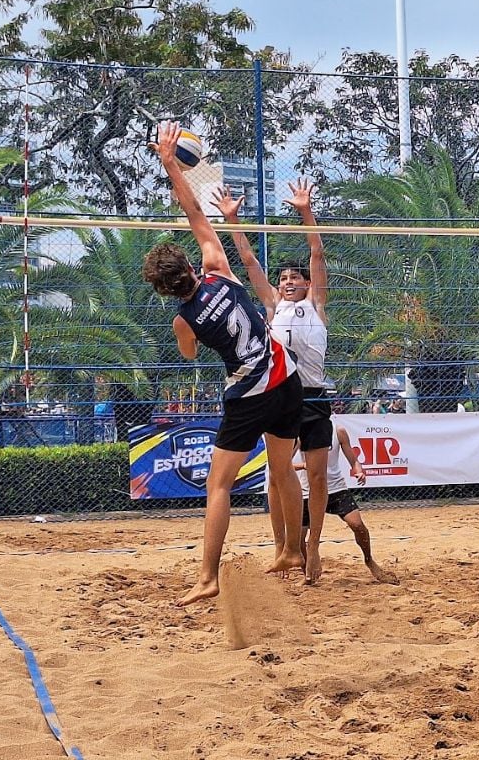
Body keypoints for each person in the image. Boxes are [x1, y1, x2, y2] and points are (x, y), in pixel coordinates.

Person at [143, 122, 305, 606]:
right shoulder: (217, 269)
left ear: (165, 290)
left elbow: (190, 354)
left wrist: (189, 332)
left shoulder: (182, 320)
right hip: (286, 377)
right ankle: (292, 551)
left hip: (249, 393)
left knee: (218, 486)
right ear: (192, 268)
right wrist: (171, 162)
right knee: (283, 471)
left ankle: (208, 578)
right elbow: (194, 210)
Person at [212, 178, 335, 584]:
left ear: (307, 285)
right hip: (281, 396)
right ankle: (285, 549)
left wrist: (305, 211)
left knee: (316, 477)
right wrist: (232, 220)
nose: (288, 282)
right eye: (283, 278)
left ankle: (312, 548)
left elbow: (317, 252)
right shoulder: (273, 305)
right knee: (276, 474)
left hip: (314, 397)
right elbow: (247, 261)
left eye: (294, 278)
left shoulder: (316, 305)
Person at [293, 420, 398, 584]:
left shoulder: (338, 431)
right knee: (298, 538)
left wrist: (359, 471)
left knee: (358, 525)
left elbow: (354, 461)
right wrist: (306, 465)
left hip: (336, 488)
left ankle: (369, 560)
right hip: (308, 492)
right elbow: (283, 465)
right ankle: (308, 573)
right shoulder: (299, 433)